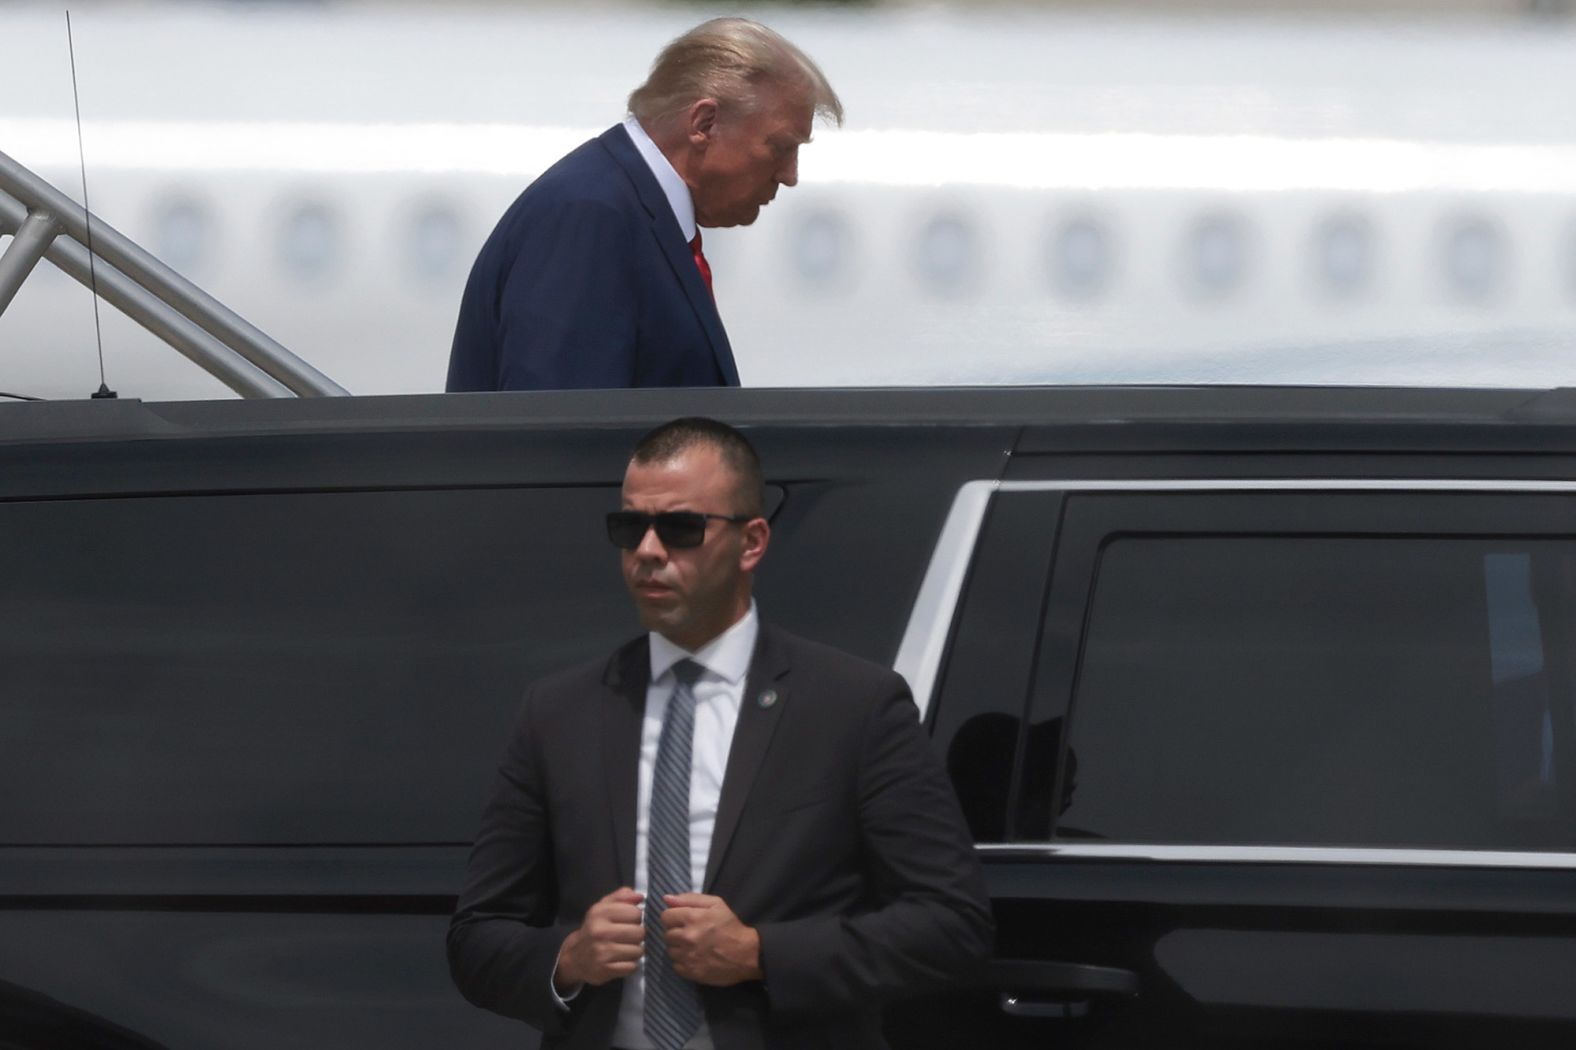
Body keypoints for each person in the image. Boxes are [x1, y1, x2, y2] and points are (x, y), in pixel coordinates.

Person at [448, 417, 993, 1050]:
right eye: (630, 528)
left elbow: (952, 926)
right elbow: (477, 936)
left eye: (679, 528)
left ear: (752, 542)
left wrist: (762, 953)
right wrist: (568, 957)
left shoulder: (854, 706)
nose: (649, 550)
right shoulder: (559, 711)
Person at [445, 20, 842, 392]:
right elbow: (560, 446)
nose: (790, 175)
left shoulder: (629, 213)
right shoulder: (590, 217)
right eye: (780, 147)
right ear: (704, 124)